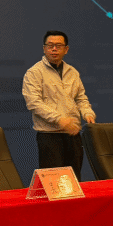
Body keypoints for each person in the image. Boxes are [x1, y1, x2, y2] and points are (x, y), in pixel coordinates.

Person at [22, 30, 96, 175]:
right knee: (54, 181)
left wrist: (87, 113)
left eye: (58, 46)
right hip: (49, 136)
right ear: (44, 49)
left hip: (73, 134)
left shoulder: (72, 72)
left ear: (66, 49)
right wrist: (59, 119)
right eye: (50, 46)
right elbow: (33, 103)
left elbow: (80, 98)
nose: (54, 49)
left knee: (74, 179)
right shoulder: (34, 72)